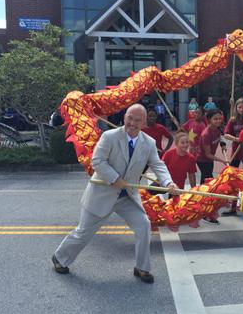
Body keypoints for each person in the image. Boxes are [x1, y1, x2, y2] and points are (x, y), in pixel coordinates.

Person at [52, 104, 178, 283]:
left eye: (137, 120)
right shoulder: (109, 136)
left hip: (127, 196)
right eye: (130, 118)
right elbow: (97, 161)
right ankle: (60, 257)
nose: (132, 123)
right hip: (103, 193)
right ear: (125, 117)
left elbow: (158, 164)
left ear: (144, 122)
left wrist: (168, 182)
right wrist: (115, 178)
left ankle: (142, 268)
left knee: (143, 226)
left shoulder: (148, 142)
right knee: (84, 232)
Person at [197, 108, 229, 224]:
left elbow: (220, 138)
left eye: (219, 118)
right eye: (215, 119)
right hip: (203, 160)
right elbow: (208, 154)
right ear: (209, 120)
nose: (218, 121)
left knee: (206, 184)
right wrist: (222, 160)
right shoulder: (206, 134)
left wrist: (223, 145)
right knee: (208, 184)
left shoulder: (218, 129)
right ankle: (205, 212)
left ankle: (200, 205)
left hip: (209, 161)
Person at [223, 98, 243, 215]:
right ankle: (233, 206)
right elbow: (226, 134)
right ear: (236, 108)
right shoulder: (233, 120)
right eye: (239, 107)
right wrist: (237, 139)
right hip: (236, 151)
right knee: (233, 178)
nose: (241, 110)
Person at [162, 132, 197, 197]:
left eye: (187, 142)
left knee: (174, 204)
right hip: (165, 182)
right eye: (182, 143)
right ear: (176, 144)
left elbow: (192, 175)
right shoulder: (168, 154)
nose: (185, 145)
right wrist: (164, 181)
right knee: (149, 191)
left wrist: (193, 190)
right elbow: (161, 168)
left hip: (178, 187)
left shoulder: (191, 158)